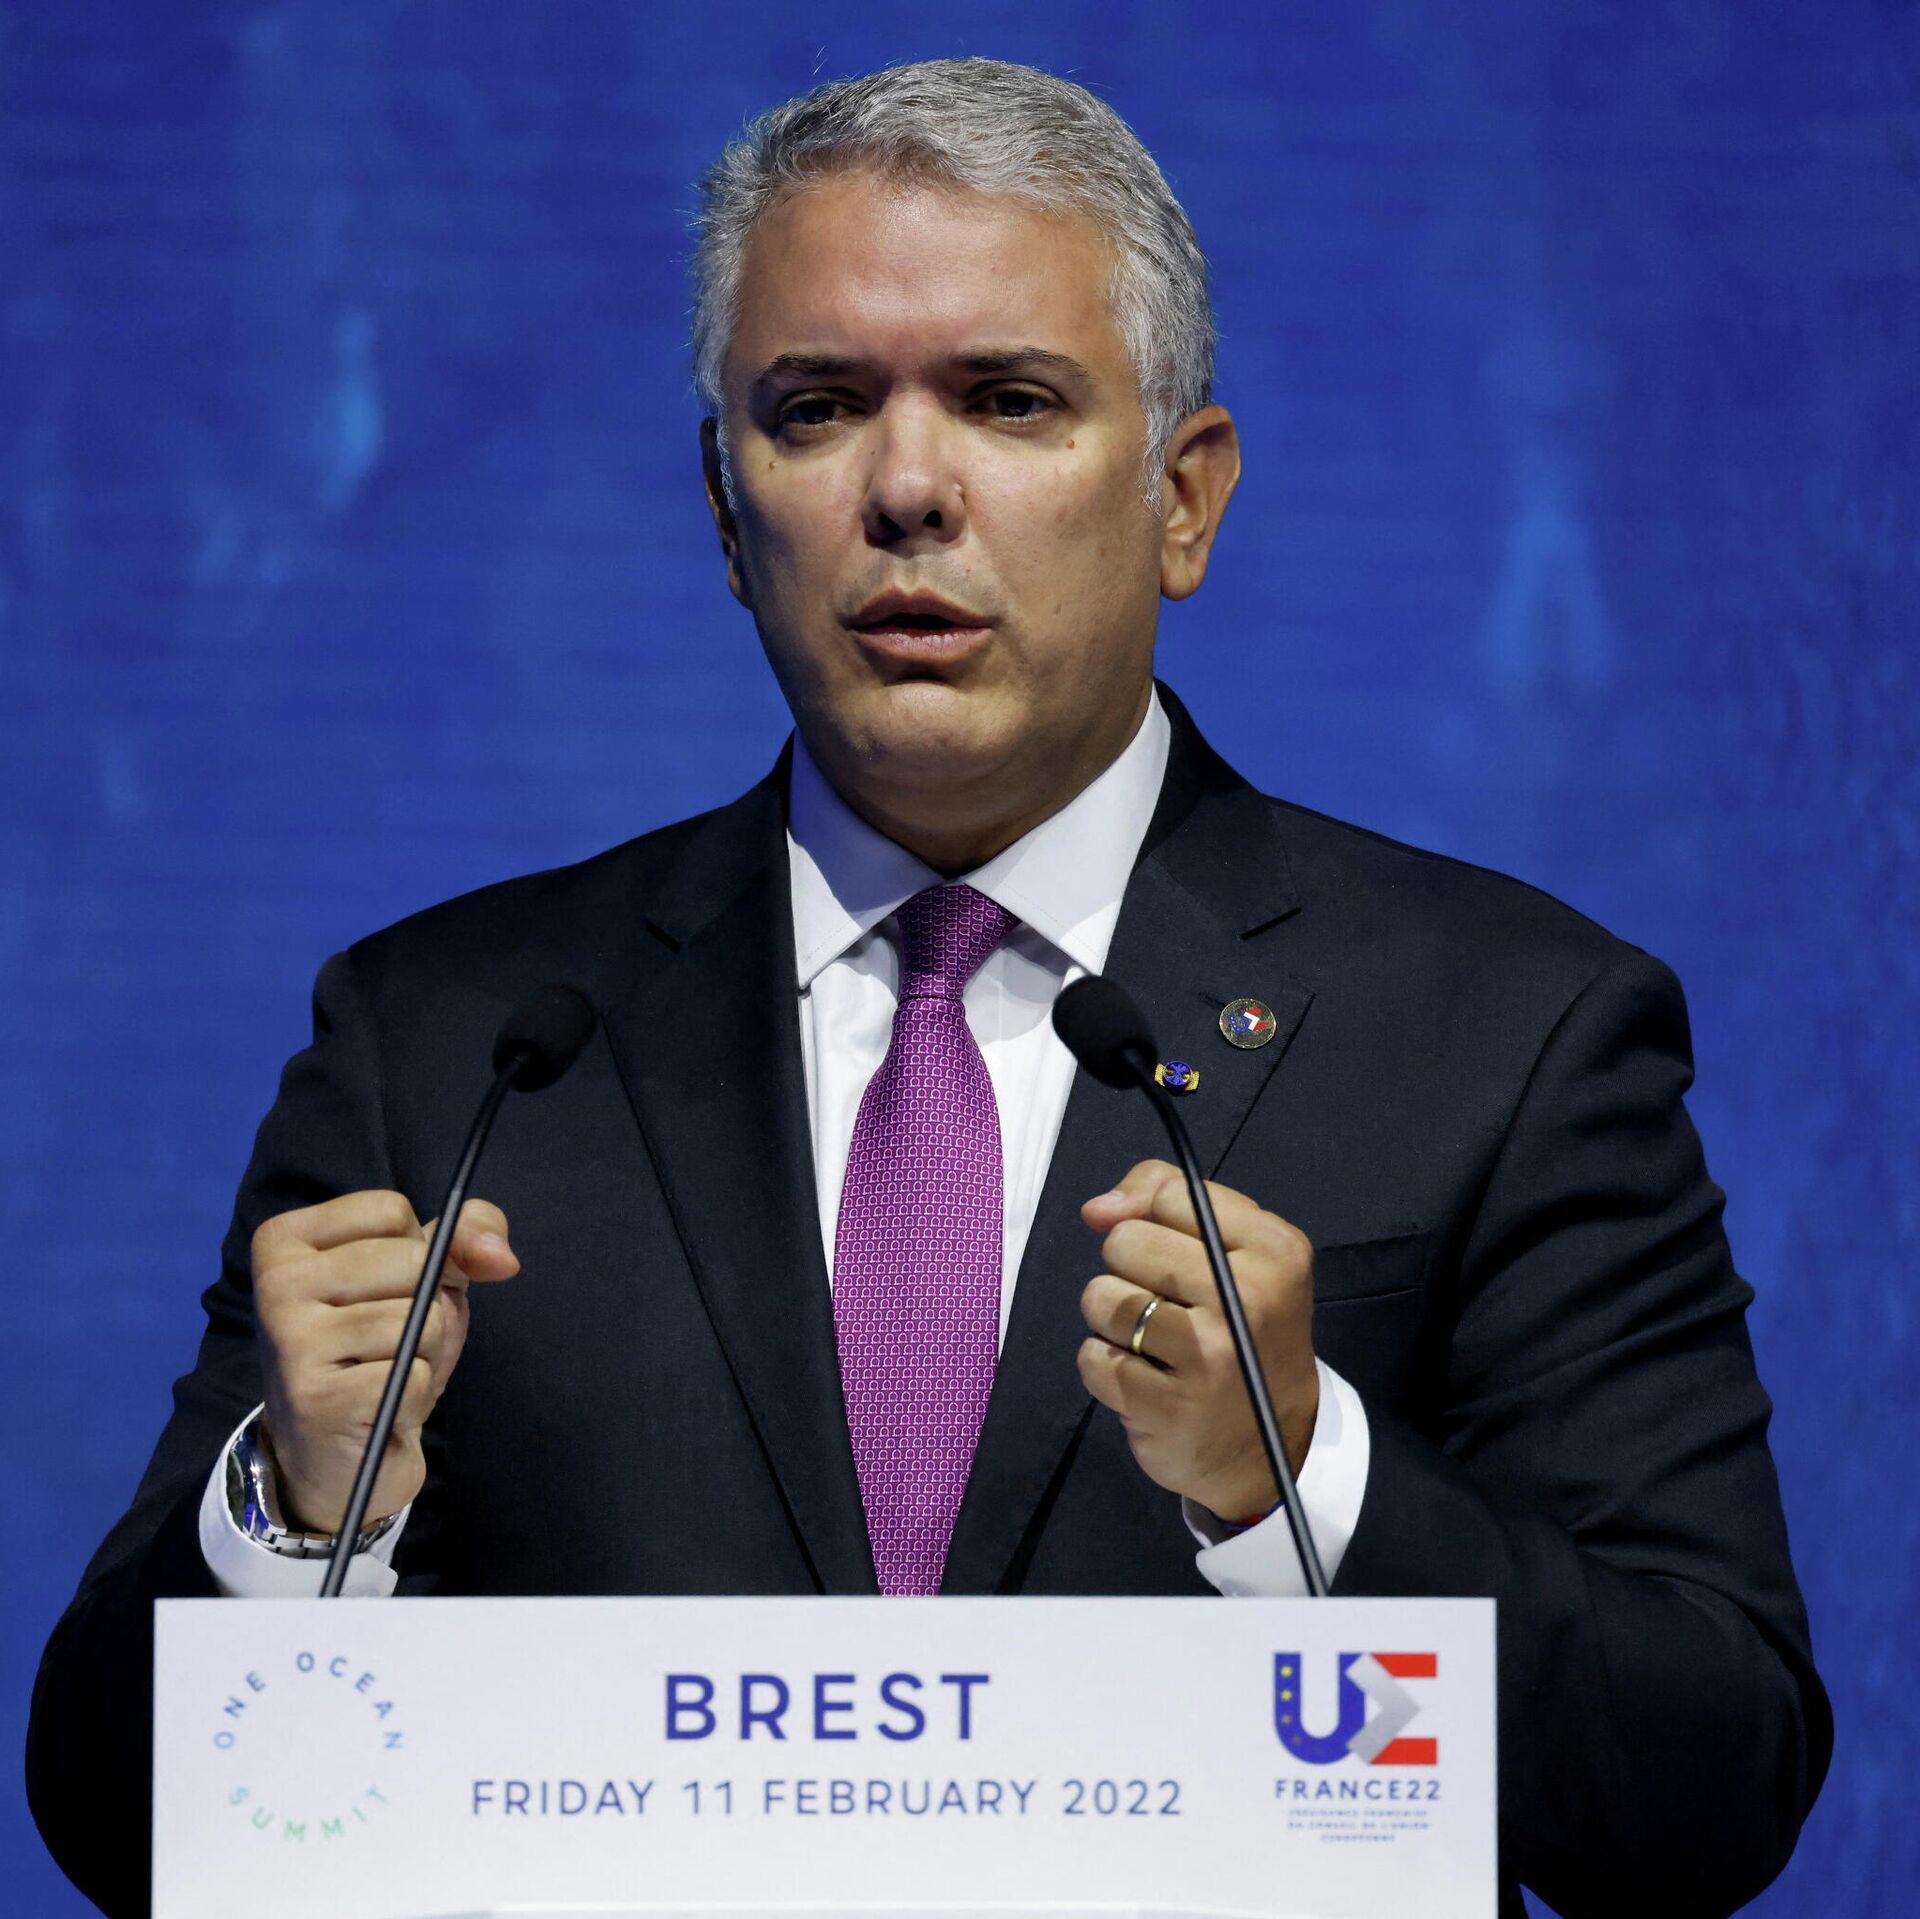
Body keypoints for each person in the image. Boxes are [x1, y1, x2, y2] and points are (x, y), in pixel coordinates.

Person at [28, 56, 1828, 1919]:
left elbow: (1708, 1790)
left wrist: (1303, 1476)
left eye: (1006, 400)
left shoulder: (1509, 1030)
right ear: (725, 513)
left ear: (1183, 498)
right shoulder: (454, 1043)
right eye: (817, 409)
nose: (905, 488)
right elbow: (115, 1820)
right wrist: (296, 1517)